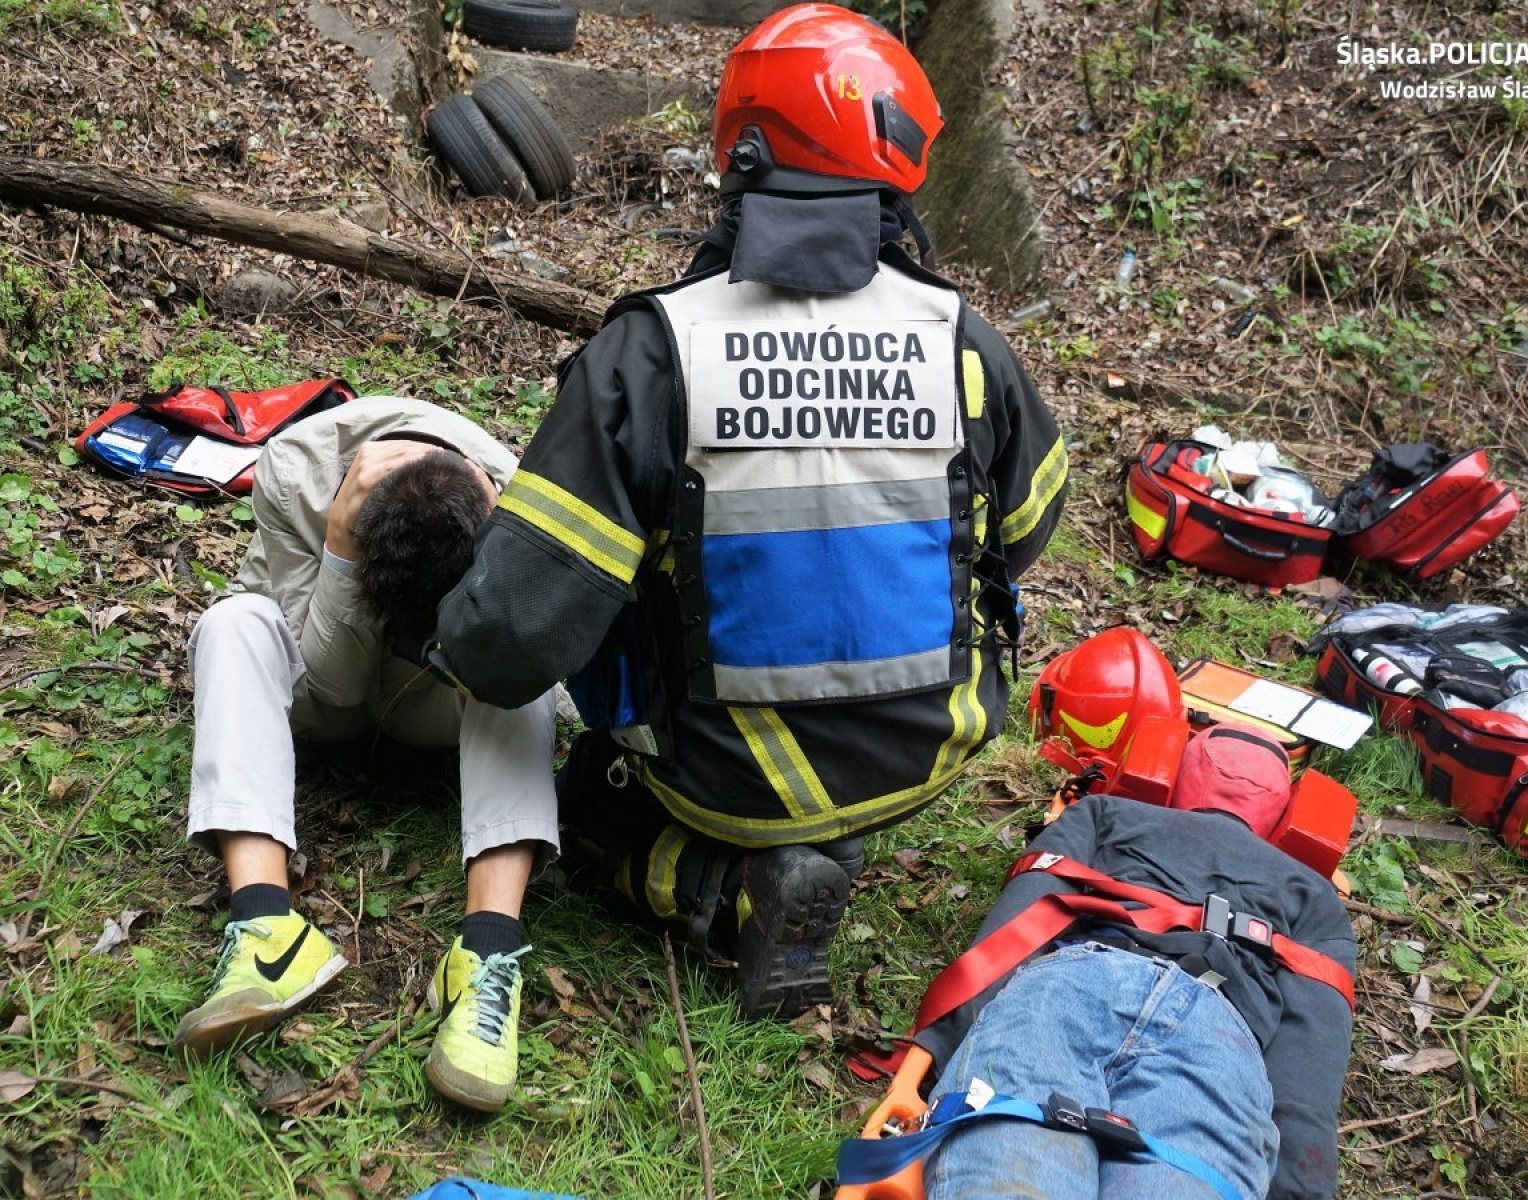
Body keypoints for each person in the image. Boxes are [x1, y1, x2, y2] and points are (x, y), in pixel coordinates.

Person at [430, 2, 1067, 1020]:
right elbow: (1028, 527)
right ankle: (827, 832)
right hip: (928, 746)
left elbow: (514, 632)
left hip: (718, 771)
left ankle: (718, 890)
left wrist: (447, 647)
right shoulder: (966, 341)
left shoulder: (651, 353)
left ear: (743, 146)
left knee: (591, 798)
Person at [174, 396, 562, 1114]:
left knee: (521, 665)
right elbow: (334, 682)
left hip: (438, 698)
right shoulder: (293, 472)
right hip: (325, 696)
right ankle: (266, 927)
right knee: (231, 623)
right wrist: (341, 551)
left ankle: (487, 953)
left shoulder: (519, 500)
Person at [851, 727, 1357, 1200]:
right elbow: (1310, 1053)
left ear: (1179, 778)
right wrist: (1298, 1182)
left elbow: (1026, 914)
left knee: (1012, 1165)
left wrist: (935, 1047)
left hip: (1077, 983)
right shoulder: (1313, 894)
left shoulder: (1106, 812)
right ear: (1280, 810)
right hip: (1218, 1035)